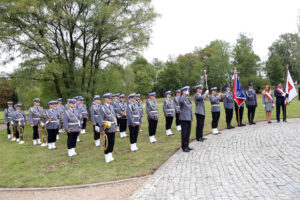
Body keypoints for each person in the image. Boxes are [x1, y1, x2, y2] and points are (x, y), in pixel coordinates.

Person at [99, 93, 118, 163]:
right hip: (106, 128)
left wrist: (116, 126)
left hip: (112, 126)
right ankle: (106, 156)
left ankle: (110, 155)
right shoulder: (102, 107)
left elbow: (114, 117)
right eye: (109, 98)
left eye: (110, 98)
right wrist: (102, 129)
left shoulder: (111, 106)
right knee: (106, 142)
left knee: (112, 142)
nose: (110, 100)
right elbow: (100, 119)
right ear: (105, 99)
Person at [179, 86, 193, 152]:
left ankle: (187, 145)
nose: (189, 92)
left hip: (188, 117)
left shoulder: (187, 98)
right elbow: (181, 100)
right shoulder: (181, 97)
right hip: (184, 118)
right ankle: (184, 147)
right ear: (184, 91)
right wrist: (185, 94)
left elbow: (190, 107)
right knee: (184, 133)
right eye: (187, 91)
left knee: (188, 132)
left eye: (189, 91)